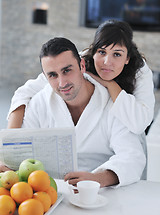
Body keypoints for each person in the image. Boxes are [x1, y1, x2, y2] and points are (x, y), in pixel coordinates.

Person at [3, 37, 146, 187]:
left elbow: (132, 157)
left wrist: (97, 179)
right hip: (53, 192)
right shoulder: (40, 103)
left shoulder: (113, 104)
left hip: (102, 191)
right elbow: (20, 153)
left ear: (82, 66)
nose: (62, 83)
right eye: (53, 75)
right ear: (45, 77)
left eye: (67, 70)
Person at [7, 20, 155, 136]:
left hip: (126, 139)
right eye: (102, 52)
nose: (106, 62)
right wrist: (10, 141)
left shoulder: (140, 72)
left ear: (127, 57)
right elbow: (25, 92)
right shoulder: (80, 61)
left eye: (117, 54)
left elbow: (139, 123)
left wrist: (110, 85)